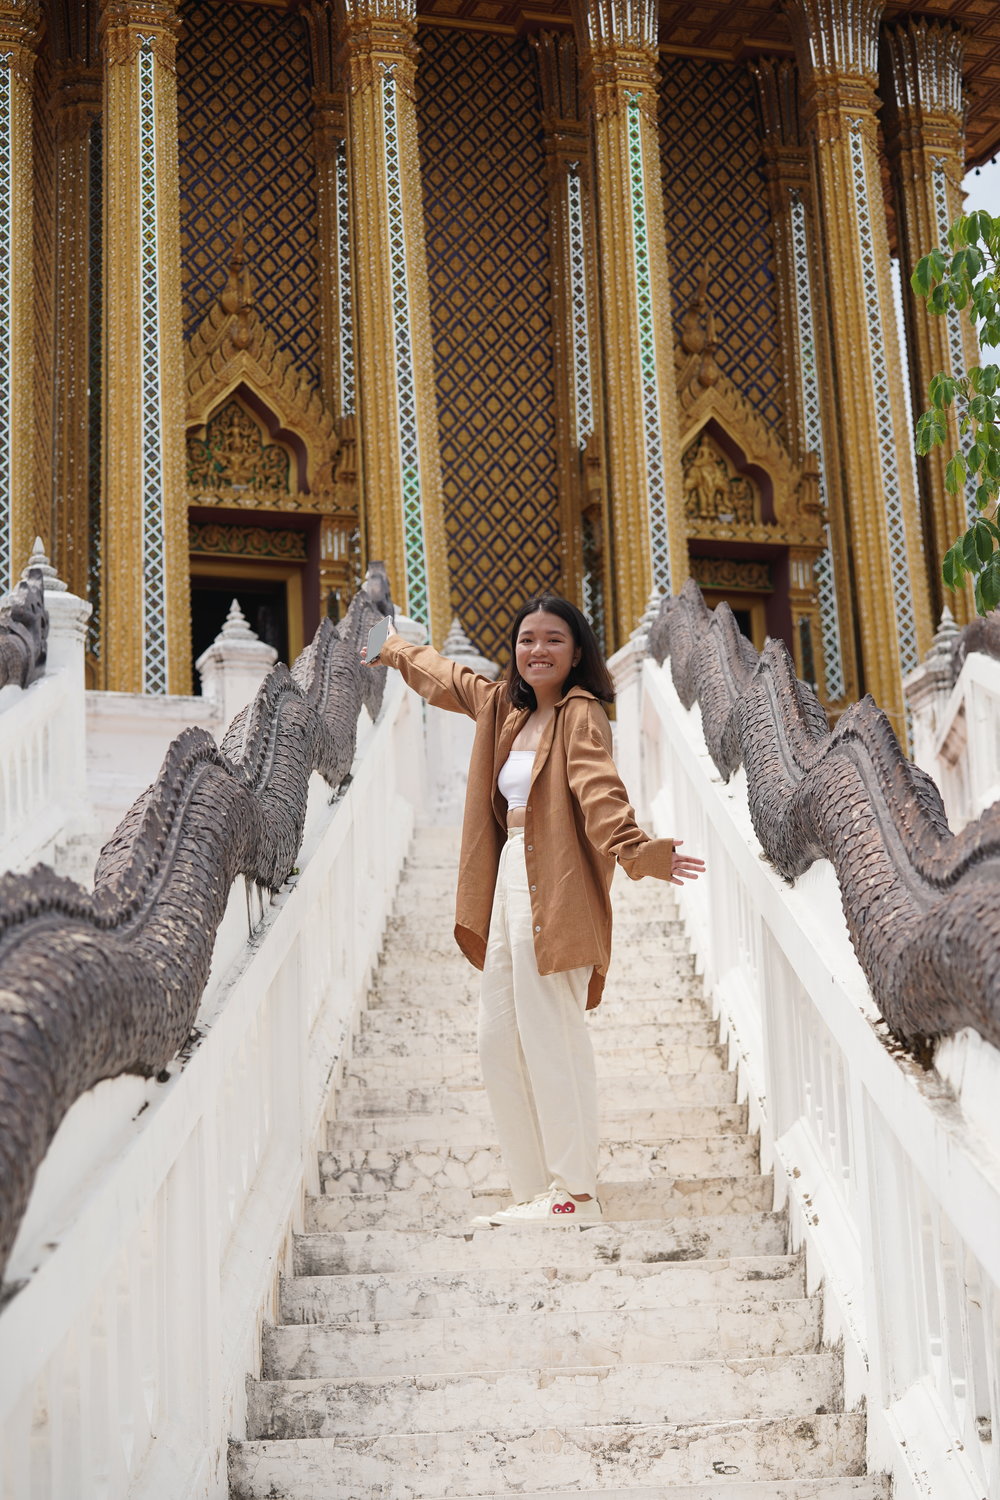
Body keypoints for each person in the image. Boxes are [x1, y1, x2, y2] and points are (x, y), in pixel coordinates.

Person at [363, 592, 705, 1227]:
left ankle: (573, 1190)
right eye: (526, 640)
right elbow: (450, 681)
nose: (537, 650)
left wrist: (635, 849)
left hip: (557, 877)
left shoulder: (581, 714)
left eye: (552, 639)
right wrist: (392, 649)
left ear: (576, 653)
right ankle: (534, 1190)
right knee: (497, 1039)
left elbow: (598, 787)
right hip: (510, 874)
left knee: (552, 1032)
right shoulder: (506, 710)